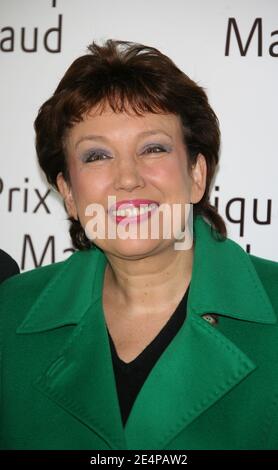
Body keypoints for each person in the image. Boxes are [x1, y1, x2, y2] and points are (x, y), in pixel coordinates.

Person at [0, 39, 277, 451]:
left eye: (153, 148)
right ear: (69, 193)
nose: (127, 178)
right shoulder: (9, 313)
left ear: (196, 174)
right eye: (96, 156)